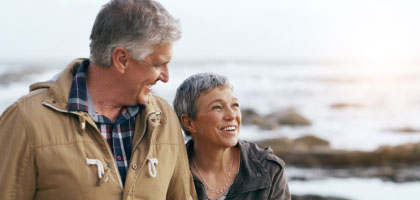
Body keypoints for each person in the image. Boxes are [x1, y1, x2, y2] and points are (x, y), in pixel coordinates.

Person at [0, 0, 196, 199]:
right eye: (158, 64)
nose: (165, 76)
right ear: (122, 59)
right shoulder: (25, 120)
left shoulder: (164, 118)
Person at [173, 73, 291, 200]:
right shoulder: (170, 172)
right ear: (189, 122)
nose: (231, 115)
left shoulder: (269, 169)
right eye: (217, 107)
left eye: (235, 105)